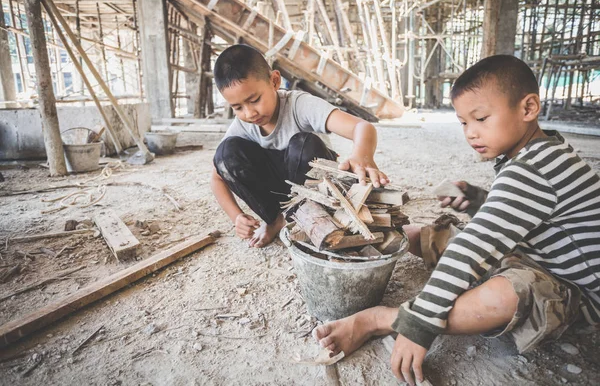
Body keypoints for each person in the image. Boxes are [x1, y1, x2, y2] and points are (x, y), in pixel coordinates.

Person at [312, 55, 600, 385]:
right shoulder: (544, 151)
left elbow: (474, 249)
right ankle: (373, 238)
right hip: (536, 255)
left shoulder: (533, 169)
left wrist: (419, 323)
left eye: (481, 118)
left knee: (504, 294)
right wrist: (480, 201)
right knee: (427, 235)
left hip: (577, 295)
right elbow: (528, 219)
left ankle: (384, 319)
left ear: (528, 107)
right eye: (464, 122)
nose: (471, 133)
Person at [211, 44, 390, 248]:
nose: (249, 113)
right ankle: (277, 220)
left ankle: (312, 218)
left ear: (274, 81)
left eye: (255, 100)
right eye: (238, 107)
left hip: (317, 187)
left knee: (302, 143)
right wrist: (236, 216)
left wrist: (362, 156)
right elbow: (218, 175)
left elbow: (361, 126)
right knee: (226, 153)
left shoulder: (300, 105)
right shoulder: (243, 125)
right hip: (283, 195)